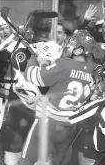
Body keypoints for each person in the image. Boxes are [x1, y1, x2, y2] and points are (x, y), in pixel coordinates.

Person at [19, 30, 99, 165]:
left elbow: (34, 76)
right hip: (70, 126)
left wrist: (34, 57)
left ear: (79, 51)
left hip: (49, 122)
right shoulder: (91, 69)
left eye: (71, 44)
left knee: (26, 161)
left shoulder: (64, 64)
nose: (67, 46)